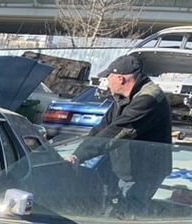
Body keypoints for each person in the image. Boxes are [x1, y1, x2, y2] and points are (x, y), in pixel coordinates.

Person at [67, 54, 172, 215]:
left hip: (144, 171)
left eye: (108, 77)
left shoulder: (149, 99)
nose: (106, 82)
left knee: (130, 212)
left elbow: (119, 131)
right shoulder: (123, 98)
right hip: (125, 167)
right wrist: (76, 154)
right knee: (110, 207)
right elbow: (103, 127)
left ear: (120, 79)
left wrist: (80, 156)